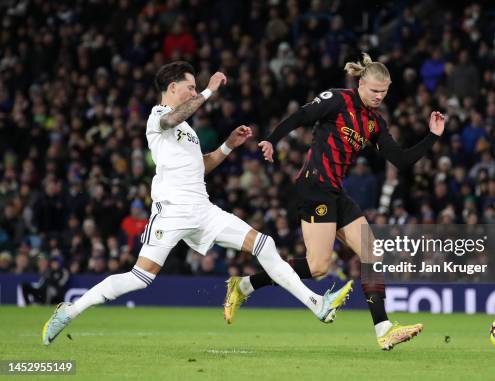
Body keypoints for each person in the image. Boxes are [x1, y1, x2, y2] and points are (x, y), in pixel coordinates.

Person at [42, 61, 353, 346]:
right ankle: (71, 310)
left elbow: (201, 166)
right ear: (172, 87)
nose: (194, 91)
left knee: (264, 244)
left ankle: (317, 304)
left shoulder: (187, 131)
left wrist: (228, 146)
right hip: (172, 212)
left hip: (203, 211)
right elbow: (174, 116)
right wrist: (208, 90)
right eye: (189, 86)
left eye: (196, 87)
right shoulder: (158, 117)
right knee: (140, 279)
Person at [224, 53, 445, 350]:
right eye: (374, 90)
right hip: (314, 187)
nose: (379, 96)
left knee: (371, 254)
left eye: (384, 92)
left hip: (335, 192)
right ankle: (245, 285)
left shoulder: (375, 123)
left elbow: (401, 160)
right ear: (361, 83)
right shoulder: (338, 100)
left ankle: (384, 328)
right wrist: (272, 140)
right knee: (318, 267)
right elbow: (302, 116)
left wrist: (432, 136)